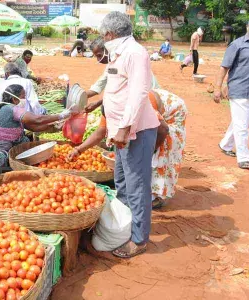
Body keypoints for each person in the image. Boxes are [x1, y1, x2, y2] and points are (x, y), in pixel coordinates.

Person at [97, 11, 159, 258]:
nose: (103, 39)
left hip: (136, 130)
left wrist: (124, 128)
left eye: (103, 36)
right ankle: (124, 227)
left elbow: (138, 91)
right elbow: (114, 84)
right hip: (119, 129)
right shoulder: (118, 52)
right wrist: (95, 101)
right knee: (121, 182)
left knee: (137, 185)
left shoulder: (135, 53)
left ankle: (139, 239)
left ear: (110, 34)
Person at [72, 89, 187, 209]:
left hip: (173, 112)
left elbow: (163, 130)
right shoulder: (111, 109)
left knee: (162, 152)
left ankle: (158, 196)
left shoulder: (141, 108)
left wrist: (151, 151)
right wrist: (78, 150)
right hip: (151, 109)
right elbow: (100, 132)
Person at [0, 84, 73, 168]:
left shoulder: (14, 110)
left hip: (1, 141)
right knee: (2, 157)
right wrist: (60, 116)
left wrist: (54, 127)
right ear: (14, 99)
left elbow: (34, 127)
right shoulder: (10, 108)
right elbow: (37, 119)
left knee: (25, 140)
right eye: (23, 96)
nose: (25, 99)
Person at [215, 14, 249, 170]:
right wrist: (217, 87)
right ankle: (243, 157)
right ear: (247, 26)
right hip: (240, 90)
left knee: (246, 122)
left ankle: (225, 144)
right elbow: (224, 67)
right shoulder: (237, 44)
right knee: (241, 125)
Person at [84, 37, 160, 113]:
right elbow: (98, 86)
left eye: (99, 55)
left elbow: (125, 94)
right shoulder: (112, 65)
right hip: (138, 97)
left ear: (108, 49)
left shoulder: (126, 60)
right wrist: (77, 96)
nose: (98, 60)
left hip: (151, 97)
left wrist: (98, 103)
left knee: (109, 107)